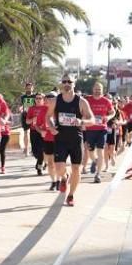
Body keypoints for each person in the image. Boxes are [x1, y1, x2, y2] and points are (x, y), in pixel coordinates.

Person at [46, 74, 95, 206]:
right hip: (60, 138)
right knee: (59, 168)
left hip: (75, 139)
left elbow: (92, 120)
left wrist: (81, 121)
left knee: (76, 169)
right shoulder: (56, 100)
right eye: (64, 81)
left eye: (69, 81)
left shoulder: (81, 101)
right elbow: (48, 117)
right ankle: (64, 177)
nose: (67, 83)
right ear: (62, 84)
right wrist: (51, 127)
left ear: (74, 83)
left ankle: (71, 195)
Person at [84, 82, 115, 183]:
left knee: (100, 151)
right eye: (96, 89)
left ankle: (98, 174)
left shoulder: (106, 101)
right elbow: (82, 111)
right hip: (90, 129)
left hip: (102, 129)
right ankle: (95, 161)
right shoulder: (88, 100)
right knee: (90, 151)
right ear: (93, 89)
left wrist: (108, 117)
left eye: (99, 89)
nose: (97, 91)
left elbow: (113, 112)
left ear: (102, 90)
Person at [25, 93, 47, 176]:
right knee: (35, 151)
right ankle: (42, 161)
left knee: (41, 149)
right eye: (37, 98)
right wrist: (33, 119)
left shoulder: (46, 108)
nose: (38, 100)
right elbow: (27, 121)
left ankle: (39, 167)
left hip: (42, 131)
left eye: (40, 98)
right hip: (33, 131)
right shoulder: (31, 108)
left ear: (43, 99)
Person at [18, 82, 36, 156]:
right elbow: (21, 105)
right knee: (26, 132)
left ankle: (33, 148)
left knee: (34, 133)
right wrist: (21, 108)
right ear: (25, 88)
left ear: (32, 88)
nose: (29, 89)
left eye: (30, 88)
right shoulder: (23, 97)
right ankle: (26, 149)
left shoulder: (35, 96)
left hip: (34, 116)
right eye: (27, 88)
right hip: (25, 116)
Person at [0, 97, 11, 174]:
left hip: (5, 133)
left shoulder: (7, 111)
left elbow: (12, 122)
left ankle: (3, 166)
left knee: (2, 150)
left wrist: (4, 121)